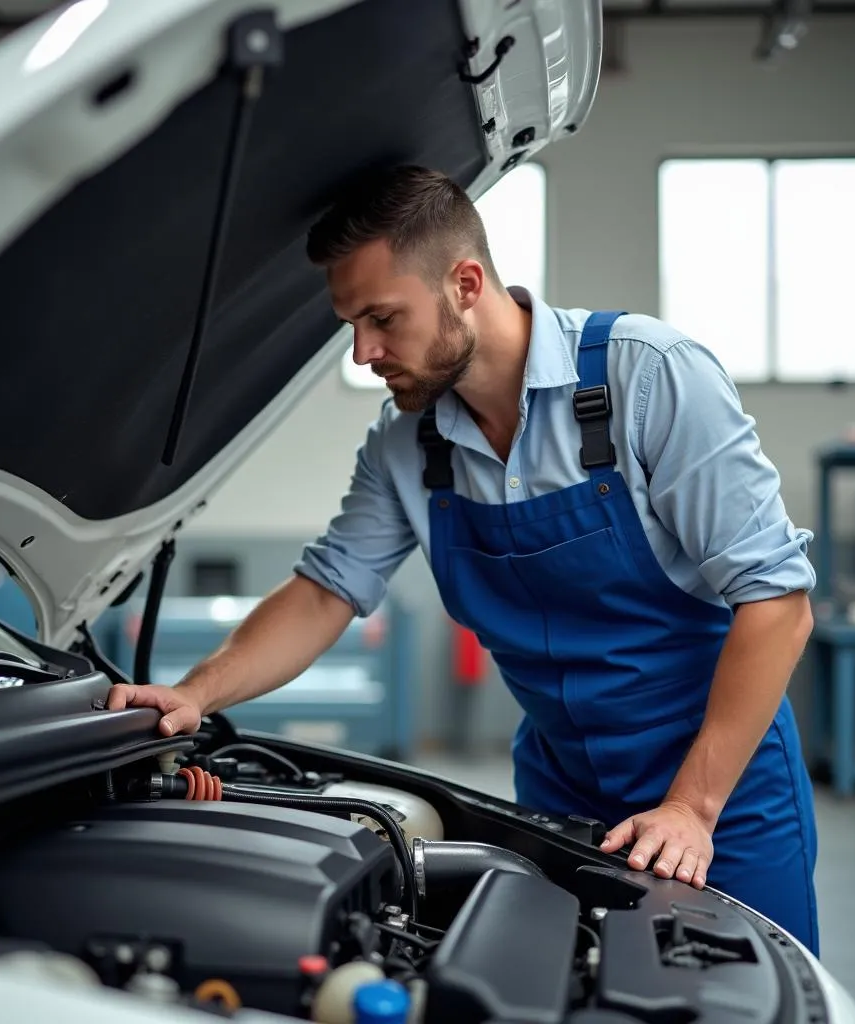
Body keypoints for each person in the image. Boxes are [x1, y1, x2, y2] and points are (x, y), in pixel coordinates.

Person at [107, 164, 819, 954]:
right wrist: (193, 694)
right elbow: (324, 592)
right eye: (350, 323)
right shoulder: (405, 445)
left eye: (382, 318)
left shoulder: (646, 378)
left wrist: (692, 805)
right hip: (562, 785)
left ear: (466, 282)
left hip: (724, 783)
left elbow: (777, 603)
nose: (364, 351)